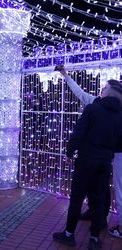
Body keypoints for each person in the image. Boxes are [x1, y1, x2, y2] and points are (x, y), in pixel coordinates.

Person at [52, 76, 122, 249]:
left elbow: (78, 133)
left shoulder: (93, 108)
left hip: (86, 160)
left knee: (76, 199)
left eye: (104, 88)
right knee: (98, 201)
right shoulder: (120, 115)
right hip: (105, 162)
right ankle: (94, 239)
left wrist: (70, 152)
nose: (101, 90)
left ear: (110, 93)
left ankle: (69, 234)